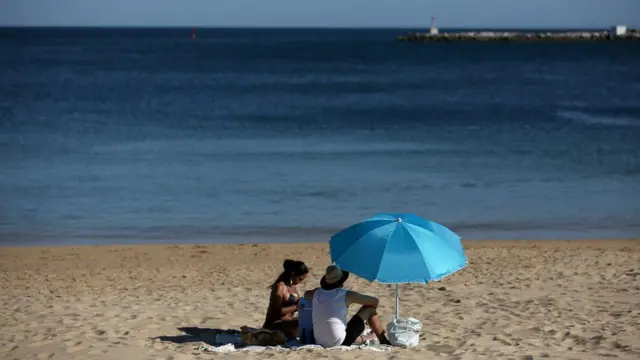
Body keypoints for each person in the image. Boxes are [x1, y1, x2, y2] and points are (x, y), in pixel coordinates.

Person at [304, 265, 391, 347]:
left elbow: (306, 294)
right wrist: (370, 319)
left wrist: (316, 291)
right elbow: (374, 301)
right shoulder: (345, 295)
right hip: (340, 342)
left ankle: (368, 337)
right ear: (341, 281)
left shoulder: (316, 293)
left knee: (341, 328)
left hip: (320, 341)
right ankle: (383, 340)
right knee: (369, 309)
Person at [262, 259, 309, 339]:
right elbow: (276, 312)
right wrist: (296, 307)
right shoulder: (280, 287)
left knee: (309, 320)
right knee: (301, 324)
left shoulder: (293, 287)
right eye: (300, 279)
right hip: (275, 324)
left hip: (287, 322)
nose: (300, 282)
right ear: (293, 274)